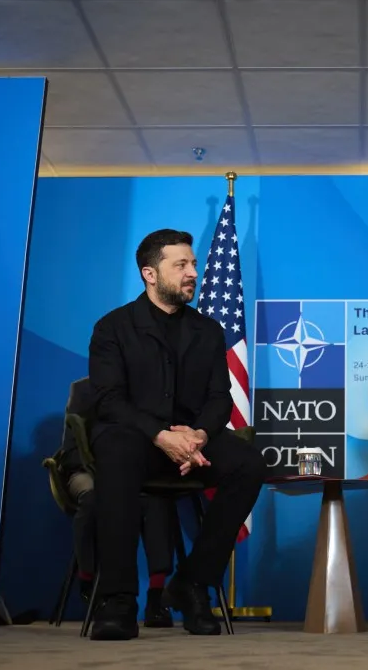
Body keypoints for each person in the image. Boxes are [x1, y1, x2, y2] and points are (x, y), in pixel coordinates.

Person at [87, 229, 266, 640]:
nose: (193, 273)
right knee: (115, 452)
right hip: (136, 440)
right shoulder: (113, 327)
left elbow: (220, 398)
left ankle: (193, 583)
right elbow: (109, 400)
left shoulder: (208, 330)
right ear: (150, 274)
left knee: (248, 464)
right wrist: (160, 435)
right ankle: (118, 599)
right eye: (181, 264)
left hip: (192, 442)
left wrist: (199, 435)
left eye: (194, 264)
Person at [56, 407, 175, 628]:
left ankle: (156, 596)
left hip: (132, 473)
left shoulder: (137, 404)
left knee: (157, 500)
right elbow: (71, 453)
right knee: (95, 498)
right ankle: (88, 582)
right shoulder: (83, 397)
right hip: (86, 471)